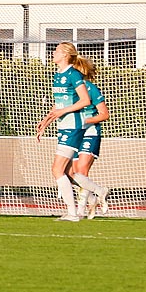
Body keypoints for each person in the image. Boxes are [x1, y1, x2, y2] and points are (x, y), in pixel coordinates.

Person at [36, 41, 94, 221]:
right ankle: (95, 195)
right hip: (63, 125)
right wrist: (46, 120)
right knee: (68, 172)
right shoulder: (57, 75)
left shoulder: (74, 75)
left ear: (65, 55)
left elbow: (85, 101)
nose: (53, 53)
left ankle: (72, 213)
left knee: (56, 169)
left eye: (56, 51)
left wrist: (63, 111)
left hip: (74, 126)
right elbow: (60, 103)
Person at [69, 53, 110, 218]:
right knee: (70, 173)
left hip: (90, 132)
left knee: (82, 169)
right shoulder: (70, 90)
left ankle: (80, 210)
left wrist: (86, 120)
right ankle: (94, 197)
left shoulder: (91, 89)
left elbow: (104, 114)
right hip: (74, 133)